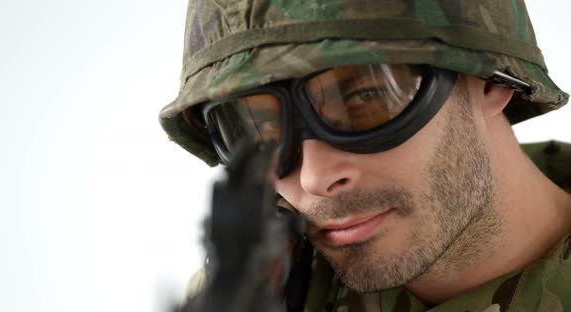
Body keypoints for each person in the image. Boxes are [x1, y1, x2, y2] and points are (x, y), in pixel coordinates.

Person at [159, 0, 571, 310]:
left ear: (491, 81)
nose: (313, 178)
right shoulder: (272, 287)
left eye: (367, 97)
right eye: (260, 131)